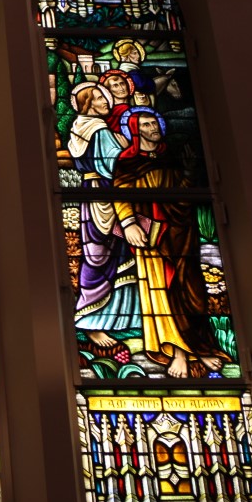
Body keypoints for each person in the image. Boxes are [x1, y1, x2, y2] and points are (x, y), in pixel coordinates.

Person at [112, 107, 227, 378]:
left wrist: (187, 173)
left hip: (180, 230)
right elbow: (120, 192)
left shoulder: (172, 156)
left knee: (191, 288)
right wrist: (128, 222)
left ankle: (198, 347)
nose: (153, 128)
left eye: (155, 122)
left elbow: (185, 196)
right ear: (135, 131)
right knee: (160, 290)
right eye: (147, 124)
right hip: (150, 233)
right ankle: (176, 351)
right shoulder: (127, 161)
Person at [68, 83, 141, 348]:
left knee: (110, 255)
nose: (105, 101)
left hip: (92, 192)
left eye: (104, 96)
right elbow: (116, 163)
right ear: (87, 104)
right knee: (99, 256)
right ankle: (90, 321)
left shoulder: (80, 127)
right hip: (105, 193)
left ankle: (119, 319)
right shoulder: (98, 130)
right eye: (98, 98)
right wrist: (127, 146)